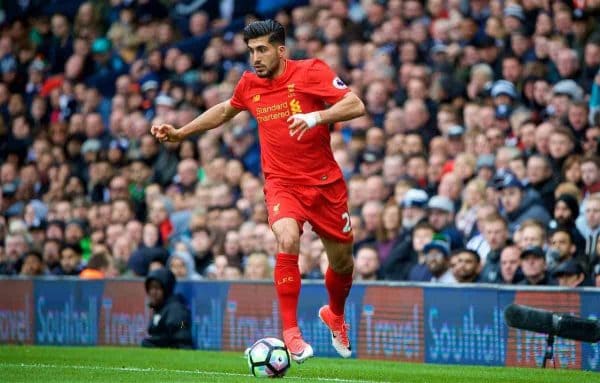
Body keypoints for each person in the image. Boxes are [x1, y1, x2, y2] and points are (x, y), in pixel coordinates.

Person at [151, 20, 366, 362]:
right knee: (286, 240)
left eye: (262, 49)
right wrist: (181, 132)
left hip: (325, 185)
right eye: (251, 51)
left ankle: (335, 315)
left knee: (342, 263)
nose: (255, 58)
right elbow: (225, 110)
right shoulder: (250, 83)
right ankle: (290, 332)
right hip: (282, 183)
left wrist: (316, 118)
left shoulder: (311, 71)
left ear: (281, 50)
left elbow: (355, 104)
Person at [141, 267, 193, 349]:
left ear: (167, 289)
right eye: (150, 288)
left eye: (157, 288)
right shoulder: (160, 308)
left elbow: (182, 333)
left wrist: (154, 343)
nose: (153, 292)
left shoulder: (177, 310)